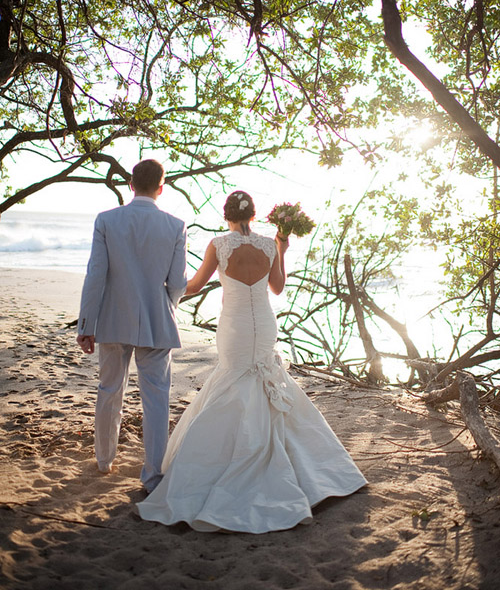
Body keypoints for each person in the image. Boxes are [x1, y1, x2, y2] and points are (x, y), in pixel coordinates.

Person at [137, 190, 366, 533]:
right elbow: (277, 287)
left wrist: (164, 289)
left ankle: (229, 461)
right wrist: (282, 251)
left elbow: (196, 284)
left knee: (232, 379)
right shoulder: (268, 245)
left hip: (235, 325)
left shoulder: (219, 245)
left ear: (226, 215)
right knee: (264, 378)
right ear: (253, 215)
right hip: (264, 321)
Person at [76, 159, 187, 493]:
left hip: (112, 318)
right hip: (157, 320)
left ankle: (104, 460)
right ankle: (152, 475)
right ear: (161, 188)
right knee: (157, 397)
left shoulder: (107, 220)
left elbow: (96, 274)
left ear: (130, 185)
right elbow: (178, 283)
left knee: (110, 390)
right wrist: (167, 306)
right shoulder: (176, 225)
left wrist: (86, 323)